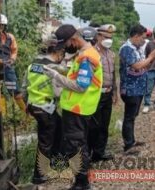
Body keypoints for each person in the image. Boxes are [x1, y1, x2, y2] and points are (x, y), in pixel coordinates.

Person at [43, 24, 103, 190]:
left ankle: (82, 183)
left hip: (78, 109)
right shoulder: (83, 54)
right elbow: (77, 76)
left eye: (66, 44)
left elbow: (80, 86)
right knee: (76, 144)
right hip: (77, 108)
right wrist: (60, 70)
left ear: (73, 39)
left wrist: (56, 76)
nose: (66, 48)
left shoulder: (87, 57)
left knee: (76, 147)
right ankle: (80, 180)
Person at [22, 36, 65, 184]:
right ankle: (39, 175)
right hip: (45, 108)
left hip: (34, 106)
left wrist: (27, 104)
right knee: (45, 141)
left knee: (59, 128)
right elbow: (58, 93)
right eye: (63, 53)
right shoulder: (54, 68)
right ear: (58, 52)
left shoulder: (33, 65)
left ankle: (54, 161)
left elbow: (24, 88)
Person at [119, 24, 155, 154]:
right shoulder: (127, 49)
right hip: (130, 89)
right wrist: (151, 57)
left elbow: (143, 66)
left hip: (138, 88)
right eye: (142, 38)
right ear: (136, 36)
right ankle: (128, 145)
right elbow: (136, 66)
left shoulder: (136, 49)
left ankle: (132, 140)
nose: (144, 41)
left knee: (133, 116)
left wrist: (150, 60)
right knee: (129, 117)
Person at [88, 24, 117, 162]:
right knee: (94, 125)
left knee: (104, 124)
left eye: (111, 37)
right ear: (99, 36)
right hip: (95, 94)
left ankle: (99, 152)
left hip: (108, 93)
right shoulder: (92, 53)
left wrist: (115, 92)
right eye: (106, 37)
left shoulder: (111, 54)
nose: (108, 40)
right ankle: (88, 153)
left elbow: (113, 74)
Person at [0, 14, 26, 111]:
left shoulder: (10, 37)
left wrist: (12, 59)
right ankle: (2, 116)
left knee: (15, 91)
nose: (0, 28)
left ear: (5, 26)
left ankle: (25, 113)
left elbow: (14, 50)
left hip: (7, 67)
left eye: (2, 25)